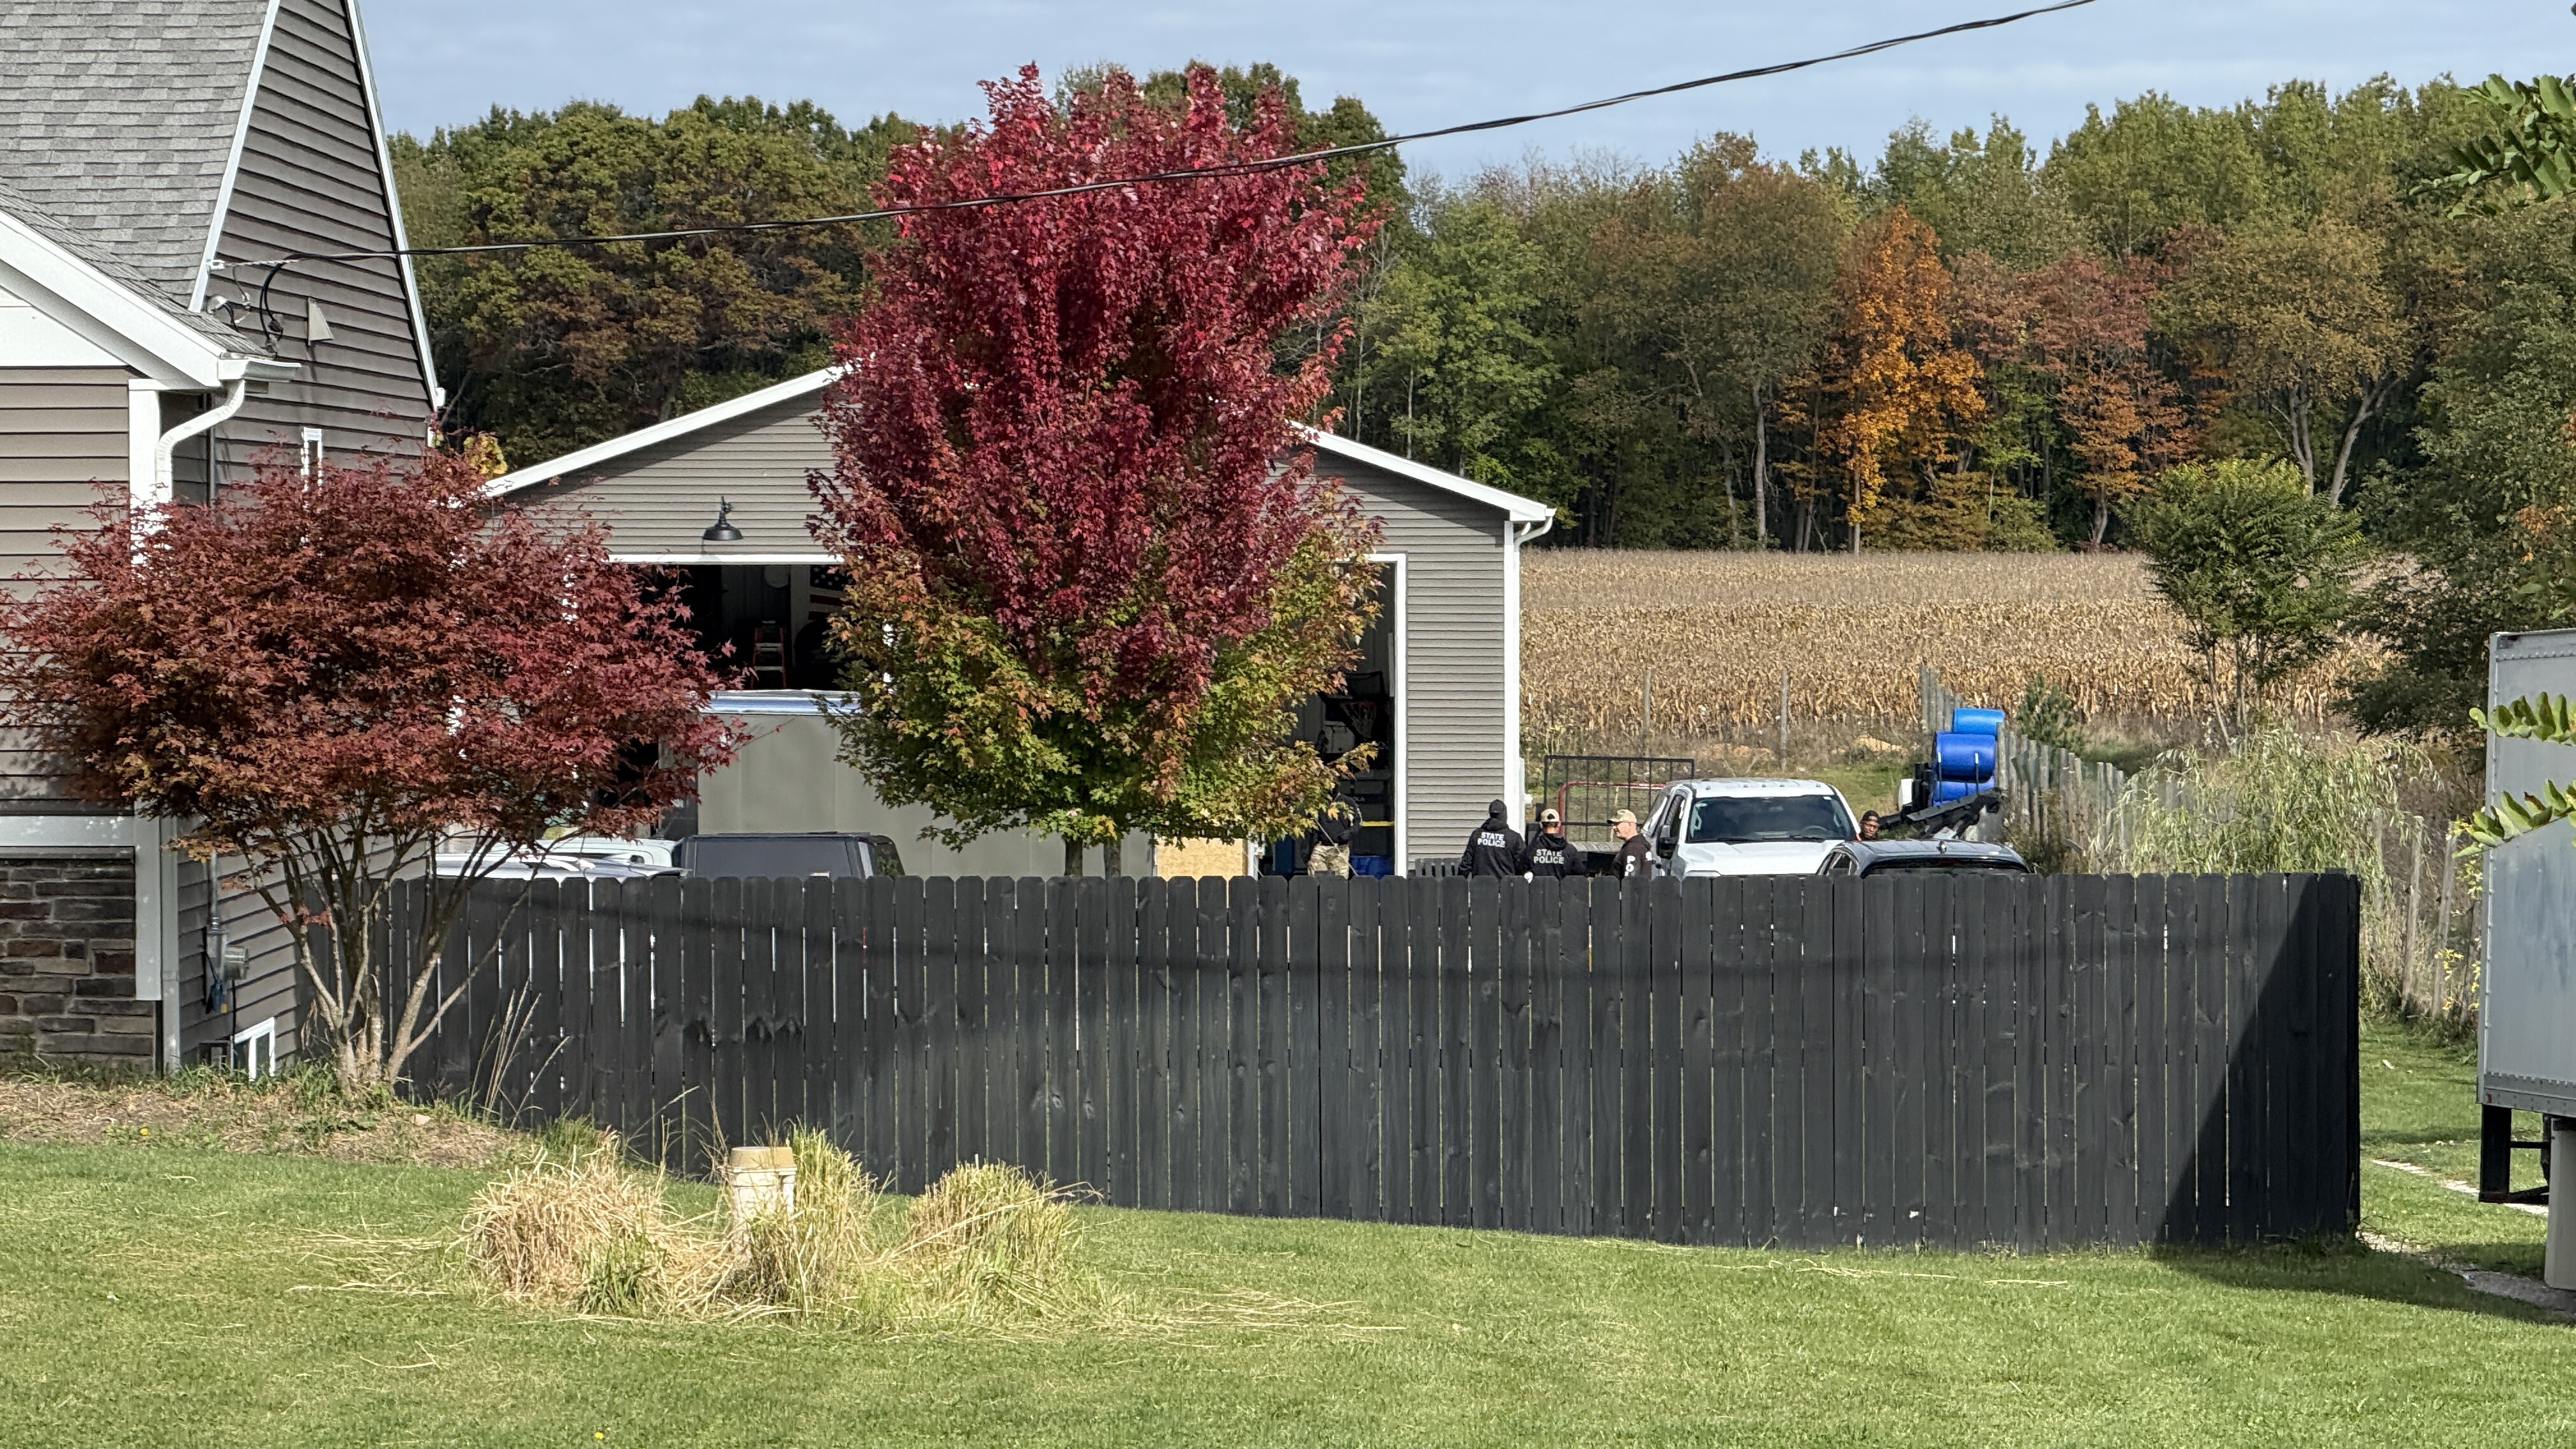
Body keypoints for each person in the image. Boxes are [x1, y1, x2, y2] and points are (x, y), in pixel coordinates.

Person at [1459, 798, 1525, 877]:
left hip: (1480, 886)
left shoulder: (1477, 835)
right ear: (1505, 815)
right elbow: (1522, 865)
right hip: (1506, 887)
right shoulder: (1514, 838)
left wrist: (1460, 883)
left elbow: (1466, 864)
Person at [1524, 807, 1579, 878]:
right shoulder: (1570, 850)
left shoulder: (1532, 849)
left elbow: (1523, 868)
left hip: (1538, 888)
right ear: (1559, 824)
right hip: (1563, 888)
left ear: (1541, 825)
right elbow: (1580, 872)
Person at [1309, 799, 1358, 878]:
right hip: (1321, 847)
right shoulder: (1317, 802)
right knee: (1316, 878)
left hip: (1340, 848)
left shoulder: (1347, 802)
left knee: (1340, 880)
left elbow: (1358, 822)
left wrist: (1349, 833)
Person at [1609, 808, 1653, 881]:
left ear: (1629, 824)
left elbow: (1630, 881)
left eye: (1617, 824)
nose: (1614, 827)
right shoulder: (1640, 845)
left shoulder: (1633, 849)